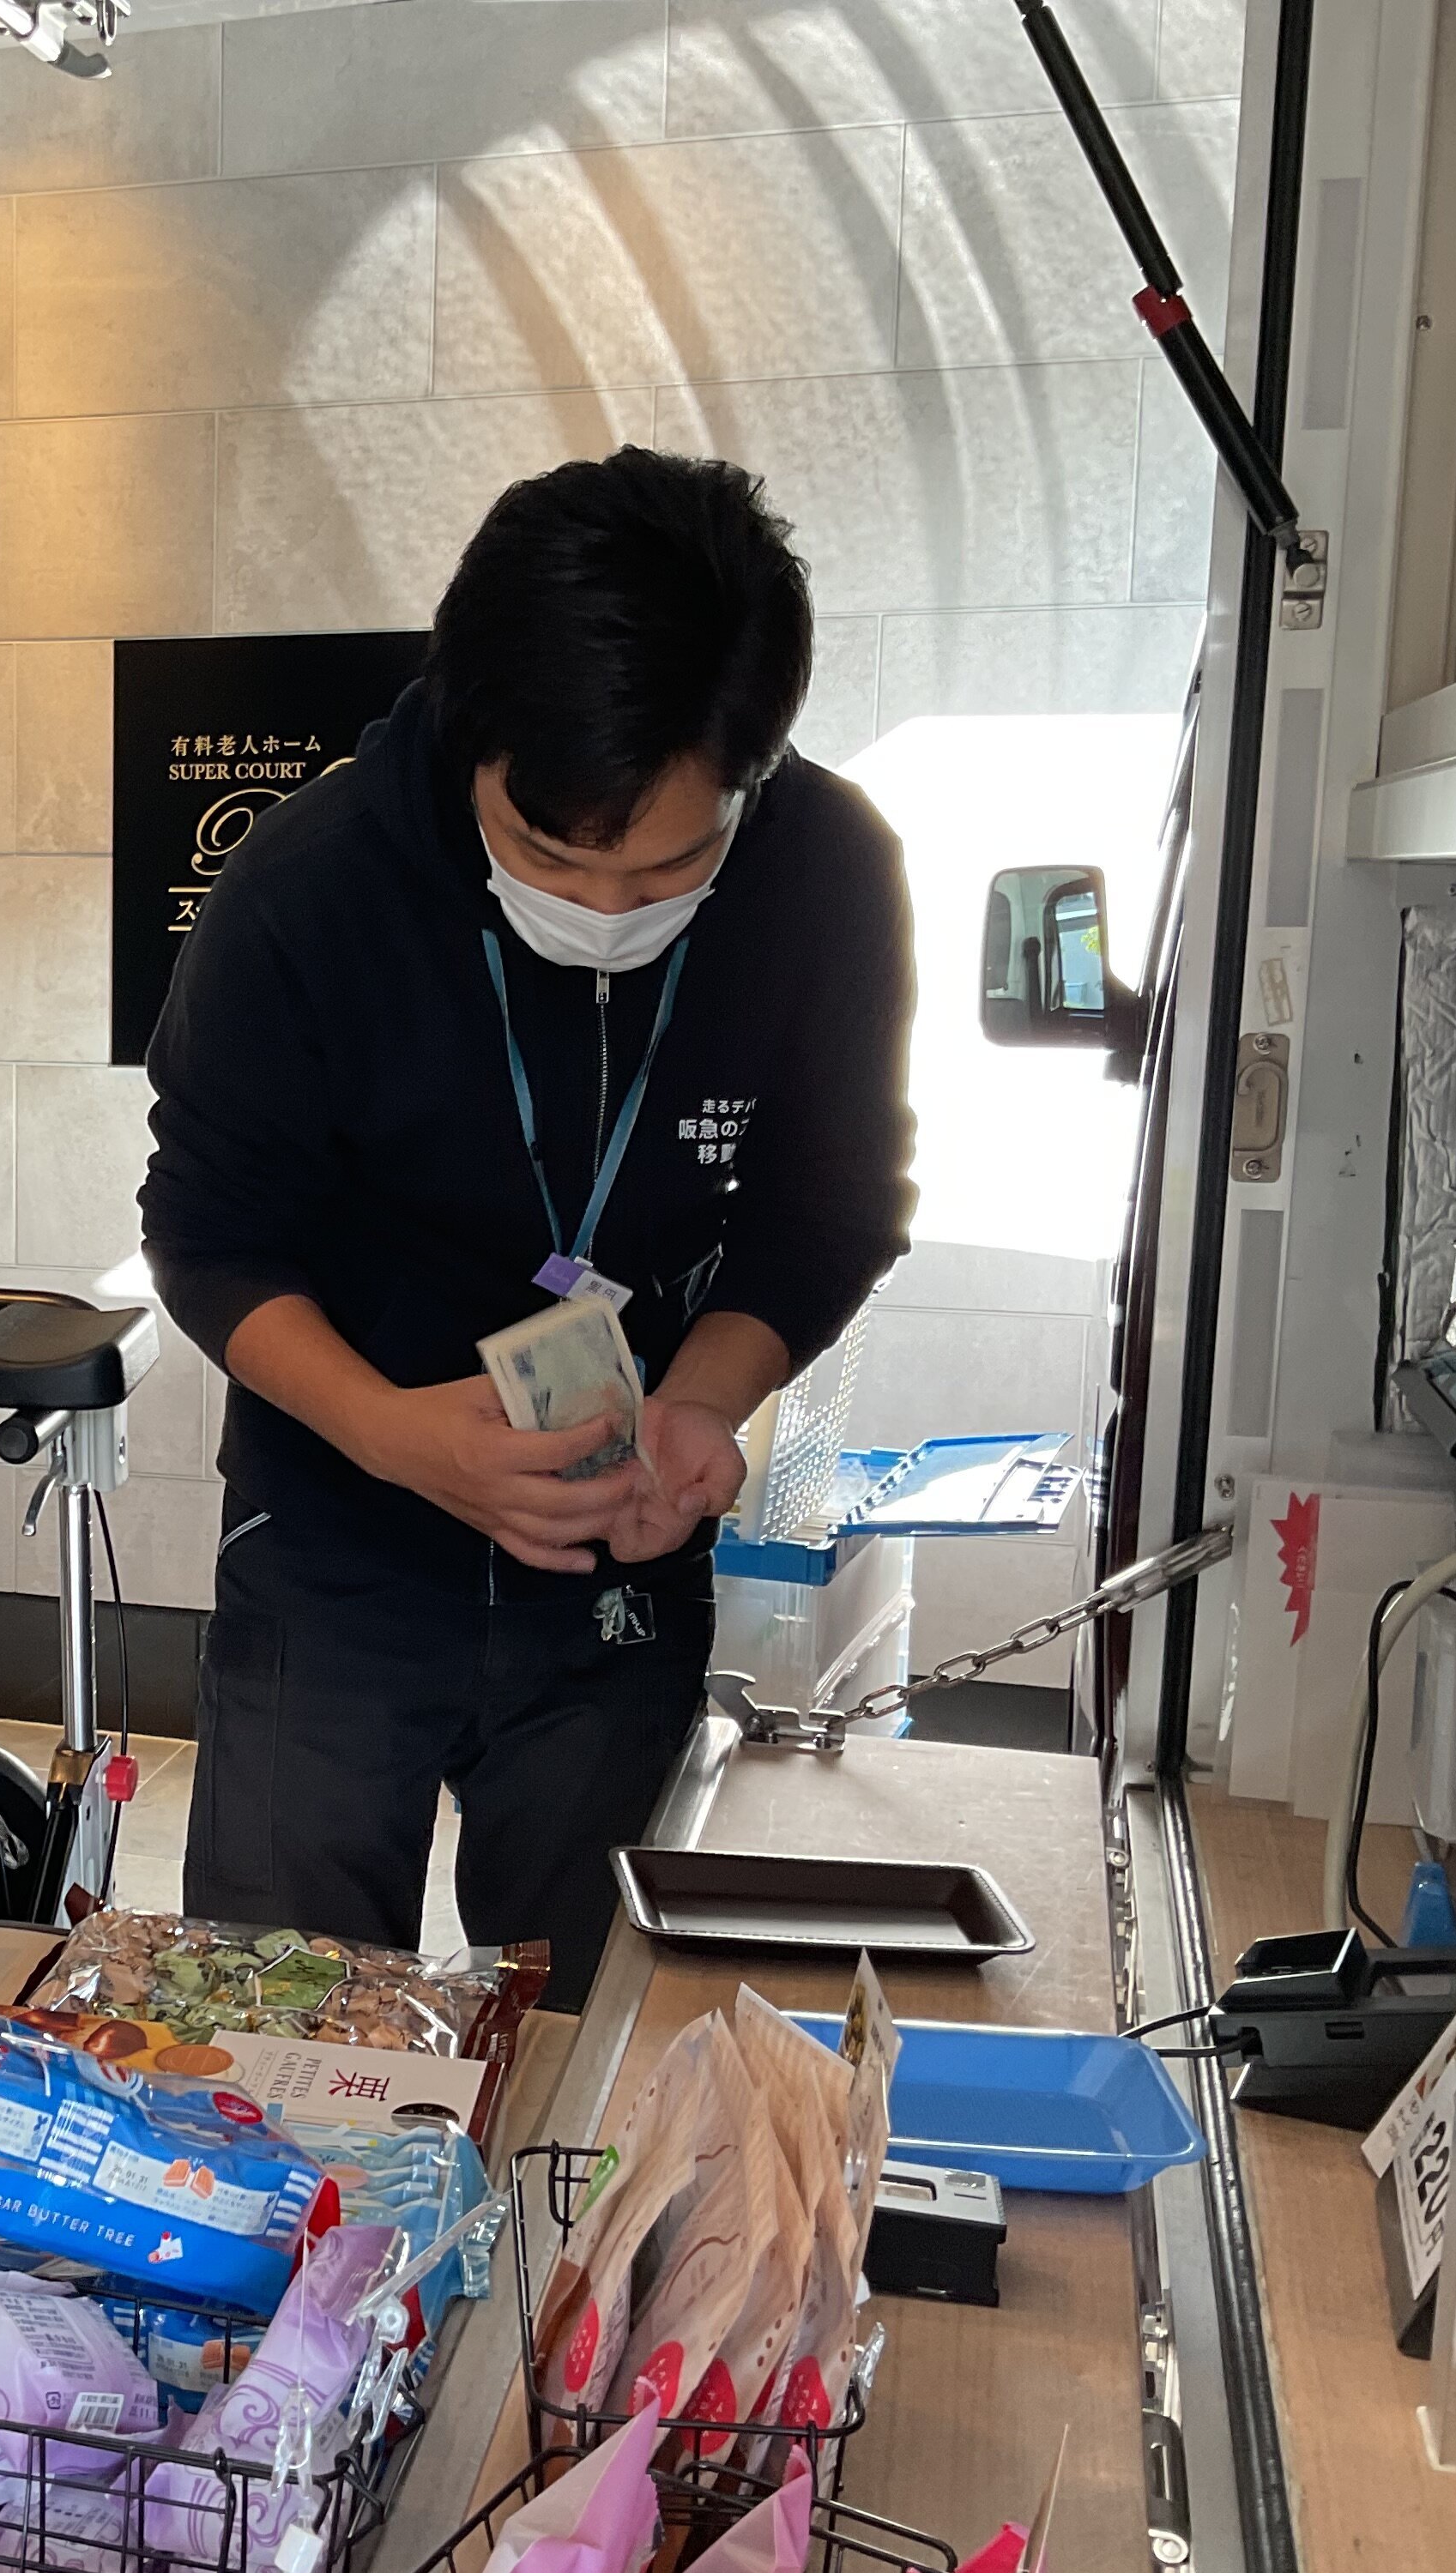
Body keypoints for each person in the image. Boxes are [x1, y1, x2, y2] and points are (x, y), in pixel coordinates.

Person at [139, 450, 916, 2010]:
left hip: (619, 1545)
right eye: (553, 856)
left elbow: (831, 1204)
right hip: (338, 1539)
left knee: (584, 2009)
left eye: (675, 863)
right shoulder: (309, 887)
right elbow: (209, 1233)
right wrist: (394, 1435)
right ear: (469, 731)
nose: (610, 908)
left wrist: (702, 1401)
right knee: (281, 2005)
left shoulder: (826, 875)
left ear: (755, 772)